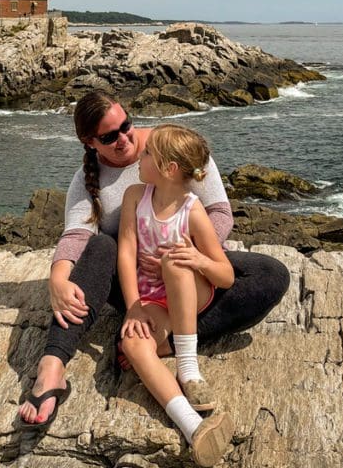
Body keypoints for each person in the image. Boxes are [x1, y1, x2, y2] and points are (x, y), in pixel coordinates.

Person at [17, 91, 291, 433]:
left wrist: (188, 254)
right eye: (109, 137)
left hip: (188, 272)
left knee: (270, 274)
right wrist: (58, 278)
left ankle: (161, 341)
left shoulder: (174, 147)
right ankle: (53, 367)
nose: (125, 139)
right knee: (101, 246)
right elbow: (77, 235)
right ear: (90, 143)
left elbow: (220, 213)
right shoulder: (92, 182)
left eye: (126, 126)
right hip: (135, 283)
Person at [118, 124, 235, 466]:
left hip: (189, 293)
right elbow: (126, 253)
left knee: (175, 260)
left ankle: (188, 367)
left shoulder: (192, 209)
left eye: (147, 153)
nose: (139, 156)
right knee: (132, 343)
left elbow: (225, 275)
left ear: (168, 169)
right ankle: (194, 426)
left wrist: (199, 259)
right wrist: (134, 307)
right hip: (153, 300)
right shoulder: (134, 197)